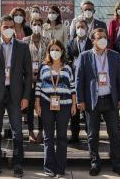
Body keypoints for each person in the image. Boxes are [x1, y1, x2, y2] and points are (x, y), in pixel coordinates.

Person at [0, 15, 32, 178]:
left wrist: (26, 96)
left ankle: (18, 164)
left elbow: (28, 75)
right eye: (5, 27)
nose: (8, 29)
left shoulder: (23, 47)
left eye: (11, 26)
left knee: (17, 131)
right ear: (0, 28)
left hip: (15, 94)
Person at [76, 28, 120, 177]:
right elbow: (79, 80)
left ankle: (117, 165)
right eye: (99, 37)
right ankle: (94, 163)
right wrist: (80, 100)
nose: (103, 40)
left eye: (105, 37)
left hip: (111, 100)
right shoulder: (84, 56)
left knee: (115, 134)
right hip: (93, 101)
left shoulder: (114, 55)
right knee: (93, 135)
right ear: (93, 40)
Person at [35, 40, 77, 177]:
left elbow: (72, 87)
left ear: (62, 51)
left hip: (64, 105)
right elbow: (38, 87)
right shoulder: (44, 67)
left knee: (62, 138)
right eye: (52, 49)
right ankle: (49, 168)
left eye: (57, 49)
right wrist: (37, 103)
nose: (55, 52)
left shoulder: (68, 68)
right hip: (47, 104)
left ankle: (60, 169)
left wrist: (73, 104)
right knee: (48, 138)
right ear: (48, 52)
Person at [22, 17, 49, 143]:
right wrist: (30, 76)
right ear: (31, 26)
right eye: (35, 24)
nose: (37, 26)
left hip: (44, 79)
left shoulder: (48, 41)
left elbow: (50, 59)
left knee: (42, 106)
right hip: (28, 78)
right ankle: (31, 131)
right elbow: (21, 61)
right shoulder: (25, 41)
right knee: (30, 105)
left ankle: (41, 131)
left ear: (42, 26)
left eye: (39, 24)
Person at [66, 19, 93, 144]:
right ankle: (74, 134)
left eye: (82, 27)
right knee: (74, 110)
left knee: (88, 109)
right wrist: (73, 64)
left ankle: (90, 134)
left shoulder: (92, 43)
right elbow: (67, 59)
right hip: (74, 80)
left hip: (88, 80)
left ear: (87, 29)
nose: (80, 29)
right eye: (78, 27)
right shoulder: (70, 43)